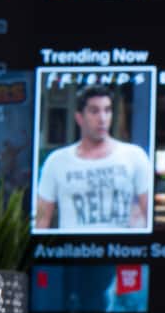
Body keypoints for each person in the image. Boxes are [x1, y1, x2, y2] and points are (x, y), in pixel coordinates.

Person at [35, 85, 151, 232]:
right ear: (79, 117)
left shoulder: (134, 156)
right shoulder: (56, 161)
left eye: (107, 110)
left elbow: (149, 214)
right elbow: (41, 221)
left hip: (121, 250)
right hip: (72, 251)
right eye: (94, 111)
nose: (102, 119)